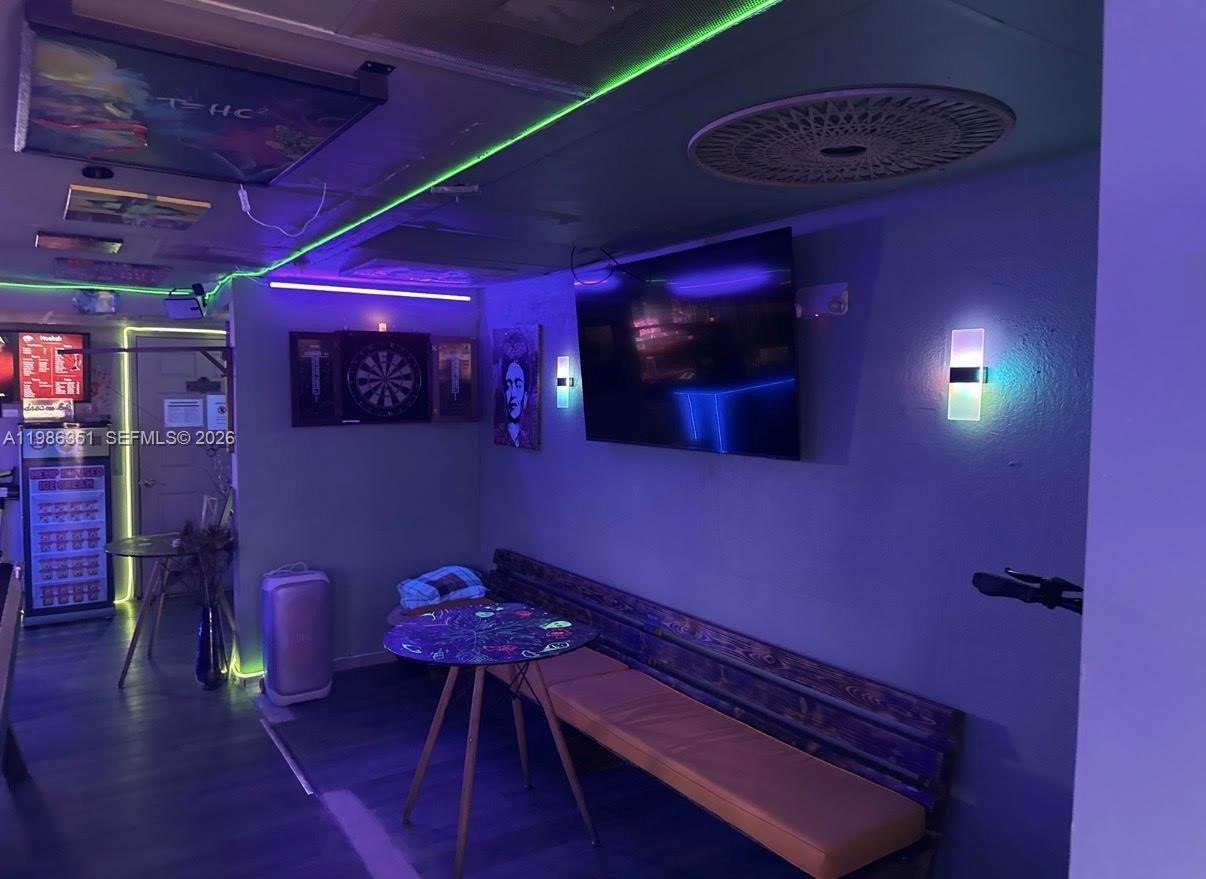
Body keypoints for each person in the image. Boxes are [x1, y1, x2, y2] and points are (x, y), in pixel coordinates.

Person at [494, 332, 535, 448]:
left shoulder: (529, 438)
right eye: (508, 385)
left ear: (526, 394)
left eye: (518, 385)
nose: (512, 394)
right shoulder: (498, 435)